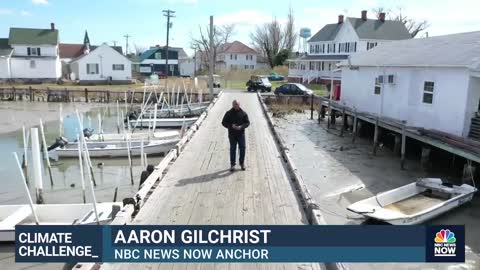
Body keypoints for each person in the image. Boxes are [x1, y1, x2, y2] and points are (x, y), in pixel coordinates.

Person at [222, 100, 250, 171]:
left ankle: (242, 163)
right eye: (235, 105)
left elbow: (247, 123)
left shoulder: (243, 113)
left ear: (239, 105)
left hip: (241, 134)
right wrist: (231, 126)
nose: (236, 106)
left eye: (237, 104)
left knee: (242, 148)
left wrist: (241, 127)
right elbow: (223, 122)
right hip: (232, 135)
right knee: (233, 149)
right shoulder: (228, 113)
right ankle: (232, 164)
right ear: (233, 105)